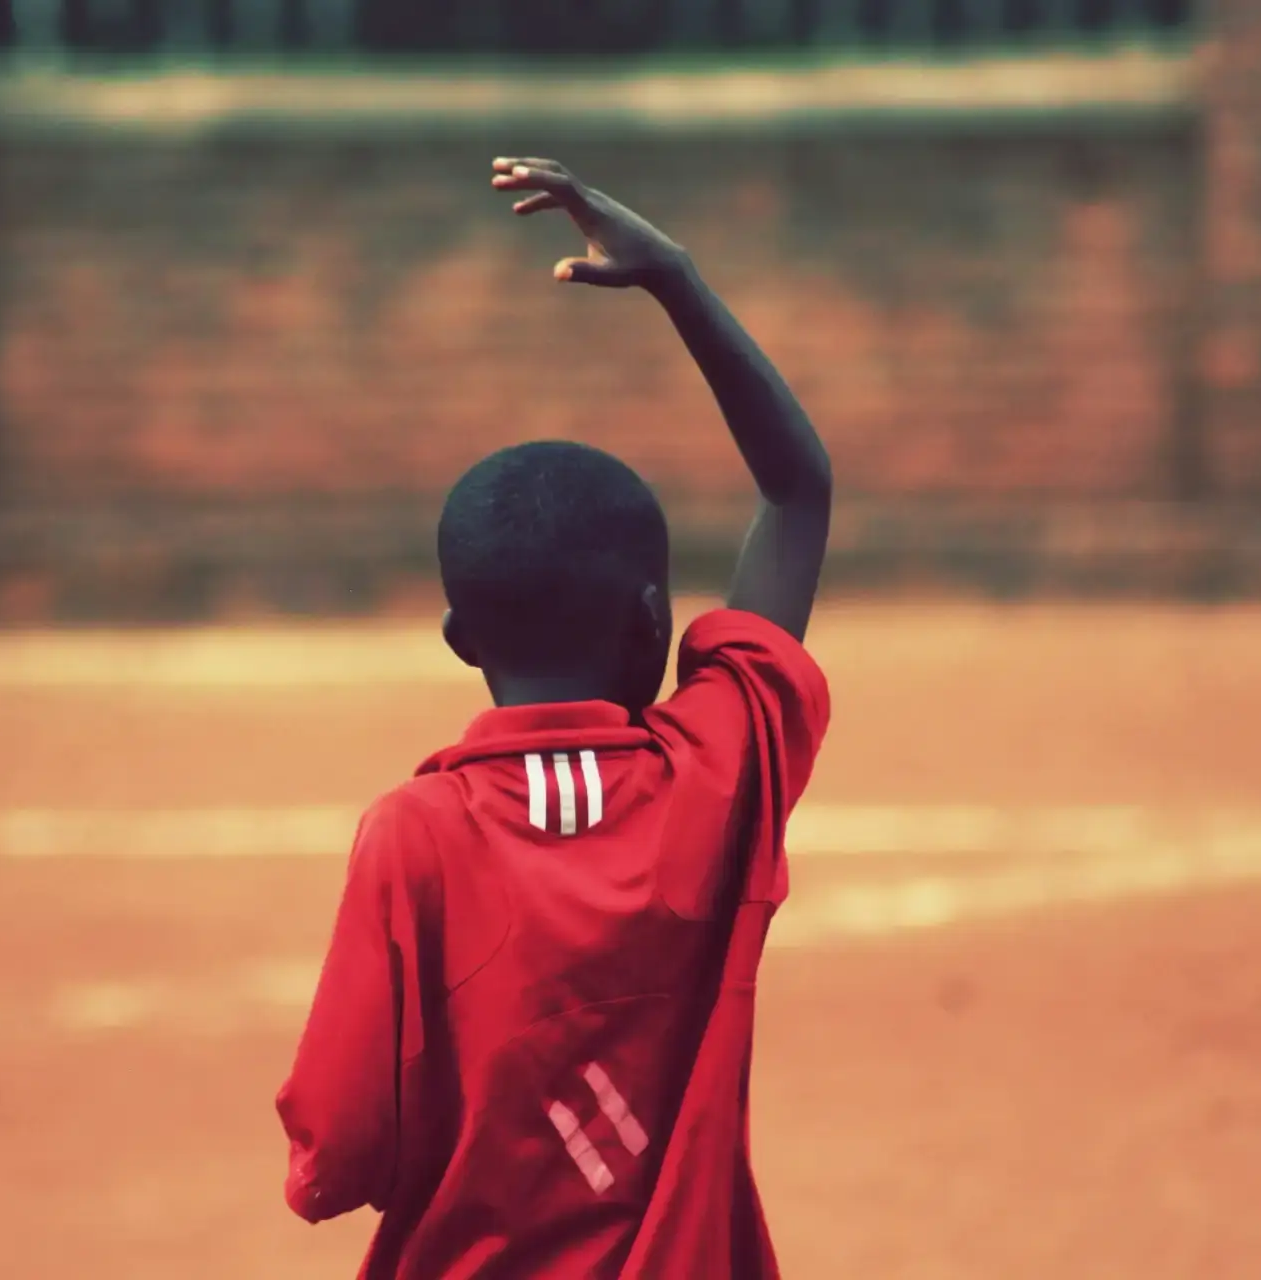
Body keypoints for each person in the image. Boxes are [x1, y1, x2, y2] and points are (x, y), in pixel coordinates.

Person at [276, 156, 833, 1279]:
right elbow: (797, 491)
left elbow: (337, 1151)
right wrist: (676, 280)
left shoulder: (413, 835)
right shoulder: (719, 772)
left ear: (458, 636)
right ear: (653, 618)